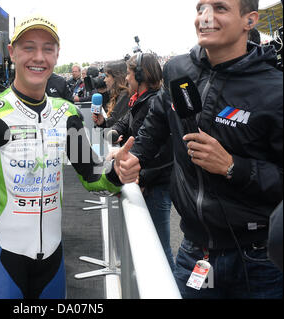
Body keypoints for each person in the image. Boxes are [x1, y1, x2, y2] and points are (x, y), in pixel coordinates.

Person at [0, 14, 124, 299]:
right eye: (28, 47)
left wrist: (119, 172)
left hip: (53, 263)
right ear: (12, 52)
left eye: (48, 48)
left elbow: (93, 175)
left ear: (57, 55)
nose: (39, 57)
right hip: (0, 259)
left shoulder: (66, 113)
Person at [114, 0, 283, 298]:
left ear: (250, 20)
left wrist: (233, 166)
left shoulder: (275, 88)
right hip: (196, 252)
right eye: (200, 8)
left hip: (259, 259)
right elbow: (156, 119)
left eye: (219, 8)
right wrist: (136, 156)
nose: (205, 17)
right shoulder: (178, 68)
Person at [110, 53, 175, 271]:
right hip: (147, 183)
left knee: (159, 247)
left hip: (156, 185)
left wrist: (141, 176)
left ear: (140, 74)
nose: (126, 79)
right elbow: (124, 122)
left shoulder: (156, 101)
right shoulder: (139, 100)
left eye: (129, 73)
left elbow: (165, 154)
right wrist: (112, 131)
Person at [92, 60, 130, 128]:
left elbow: (116, 122)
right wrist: (102, 122)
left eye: (107, 76)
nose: (104, 80)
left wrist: (104, 122)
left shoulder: (125, 95)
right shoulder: (119, 94)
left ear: (116, 77)